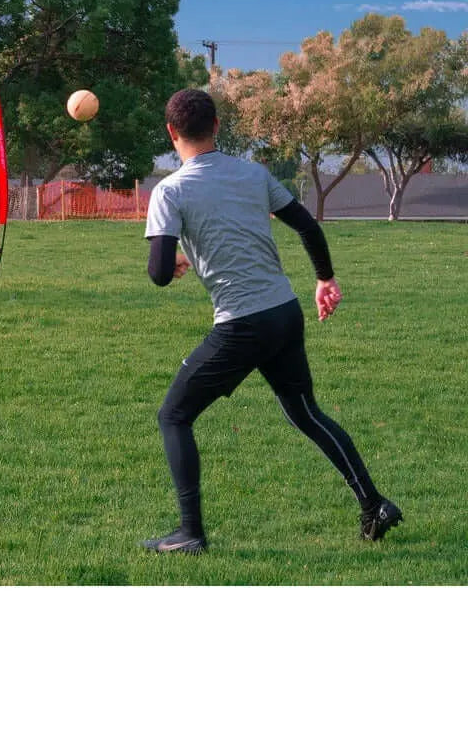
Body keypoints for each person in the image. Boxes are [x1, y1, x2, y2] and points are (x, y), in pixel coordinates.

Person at [142, 88, 401, 554]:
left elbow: (159, 274)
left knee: (173, 415)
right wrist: (324, 279)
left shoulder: (170, 190)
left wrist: (173, 261)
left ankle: (190, 534)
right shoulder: (253, 174)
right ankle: (374, 504)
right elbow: (307, 226)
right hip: (283, 312)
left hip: (242, 325)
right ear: (216, 126)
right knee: (306, 413)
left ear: (170, 133)